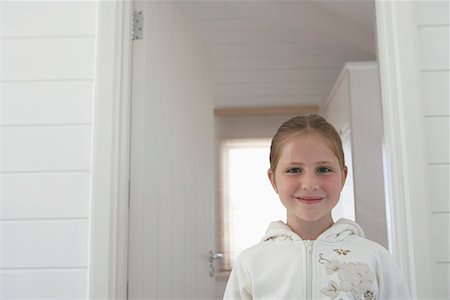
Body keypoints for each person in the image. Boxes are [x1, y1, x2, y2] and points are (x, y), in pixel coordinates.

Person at [223, 113, 410, 300]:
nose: (310, 184)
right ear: (273, 180)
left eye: (324, 170)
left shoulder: (376, 259)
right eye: (294, 170)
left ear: (343, 177)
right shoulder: (251, 264)